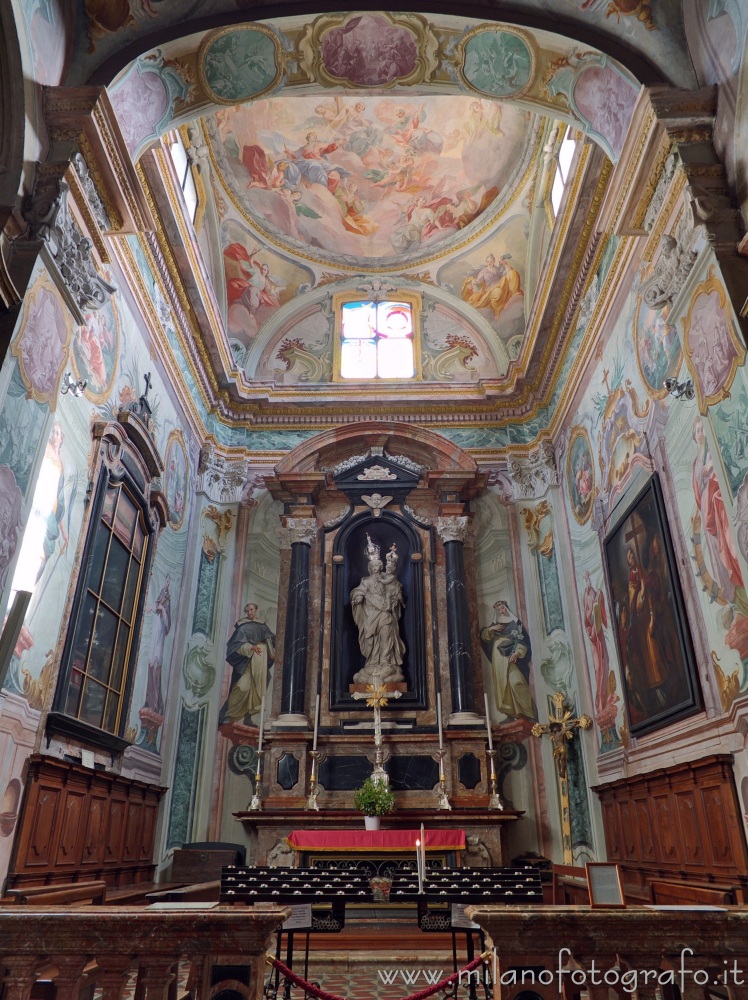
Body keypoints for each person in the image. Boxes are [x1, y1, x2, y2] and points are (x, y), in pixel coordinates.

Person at [350, 535, 406, 685]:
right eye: (373, 566)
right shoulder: (366, 581)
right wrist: (357, 598)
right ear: (369, 568)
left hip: (385, 613)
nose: (376, 569)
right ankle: (373, 661)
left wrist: (394, 595)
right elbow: (358, 591)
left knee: (386, 635)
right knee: (372, 640)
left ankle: (386, 661)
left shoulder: (387, 578)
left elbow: (396, 589)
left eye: (378, 566)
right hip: (371, 615)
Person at [219, 602, 276, 725]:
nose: (249, 612)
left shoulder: (262, 625)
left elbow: (270, 639)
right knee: (242, 687)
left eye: (251, 610)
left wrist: (272, 652)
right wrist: (250, 647)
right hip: (246, 662)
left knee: (255, 689)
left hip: (260, 660)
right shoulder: (242, 626)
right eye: (247, 610)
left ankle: (248, 717)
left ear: (256, 610)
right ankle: (230, 714)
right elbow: (235, 645)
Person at [480, 600, 536, 720]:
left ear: (507, 608)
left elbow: (523, 640)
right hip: (498, 659)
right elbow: (484, 636)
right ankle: (511, 714)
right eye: (499, 609)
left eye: (503, 608)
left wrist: (517, 653)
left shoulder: (515, 623)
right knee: (502, 685)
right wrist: (491, 629)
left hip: (511, 657)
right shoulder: (496, 624)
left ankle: (529, 713)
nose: (501, 611)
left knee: (517, 682)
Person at [462, 253, 523, 321]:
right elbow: (478, 281)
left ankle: (514, 291)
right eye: (488, 261)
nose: (489, 263)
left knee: (512, 273)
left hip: (501, 285)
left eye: (490, 261)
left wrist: (505, 265)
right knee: (497, 292)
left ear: (494, 261)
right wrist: (472, 284)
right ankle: (497, 312)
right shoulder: (484, 271)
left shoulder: (497, 269)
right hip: (491, 290)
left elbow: (503, 275)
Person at [143, 576, 172, 716]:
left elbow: (168, 626)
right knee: (150, 668)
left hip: (159, 642)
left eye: (162, 597)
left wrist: (164, 611)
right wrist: (151, 608)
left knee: (156, 670)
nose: (160, 599)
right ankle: (148, 701)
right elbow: (152, 608)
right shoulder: (157, 607)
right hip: (153, 641)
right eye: (160, 596)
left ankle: (156, 704)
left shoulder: (166, 608)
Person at [582, 571, 610, 713]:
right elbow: (588, 620)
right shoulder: (589, 622)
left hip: (600, 641)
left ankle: (603, 695)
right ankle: (599, 698)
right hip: (595, 643)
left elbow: (599, 617)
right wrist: (591, 628)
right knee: (598, 667)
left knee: (604, 664)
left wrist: (597, 605)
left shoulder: (596, 596)